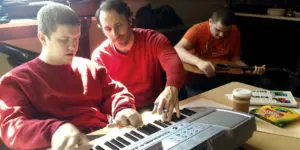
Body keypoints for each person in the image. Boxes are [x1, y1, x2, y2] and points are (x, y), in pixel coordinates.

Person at [0, 3, 142, 150]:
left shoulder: (90, 67)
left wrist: (122, 108)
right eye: (63, 39)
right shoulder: (15, 80)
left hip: (106, 138)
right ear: (42, 38)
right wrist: (54, 130)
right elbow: (12, 127)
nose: (72, 46)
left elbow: (116, 92)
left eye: (76, 38)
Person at [92, 0, 185, 122]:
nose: (115, 34)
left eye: (119, 25)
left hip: (156, 108)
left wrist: (171, 88)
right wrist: (120, 110)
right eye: (108, 29)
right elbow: (102, 95)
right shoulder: (99, 56)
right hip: (123, 113)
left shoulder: (153, 39)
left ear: (130, 20)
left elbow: (174, 63)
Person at [175, 7, 265, 78]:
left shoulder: (234, 31)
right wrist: (199, 62)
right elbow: (177, 49)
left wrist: (248, 69)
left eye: (226, 31)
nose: (221, 35)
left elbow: (235, 60)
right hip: (198, 74)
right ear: (210, 22)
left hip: (223, 74)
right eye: (217, 30)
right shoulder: (197, 30)